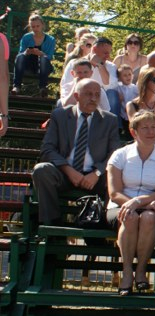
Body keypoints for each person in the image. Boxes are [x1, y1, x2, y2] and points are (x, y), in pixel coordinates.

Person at [32, 79, 121, 225]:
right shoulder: (60, 115)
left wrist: (97, 173)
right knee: (42, 170)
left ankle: (103, 226)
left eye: (97, 95)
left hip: (96, 177)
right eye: (88, 94)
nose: (93, 98)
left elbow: (115, 153)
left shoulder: (109, 120)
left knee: (115, 177)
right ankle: (52, 226)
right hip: (65, 173)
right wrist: (68, 170)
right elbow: (47, 149)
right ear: (76, 96)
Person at [107, 111, 155, 295]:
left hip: (151, 209)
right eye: (145, 128)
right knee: (129, 217)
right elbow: (114, 193)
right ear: (133, 132)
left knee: (148, 219)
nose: (151, 132)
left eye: (154, 127)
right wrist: (135, 204)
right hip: (120, 207)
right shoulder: (119, 155)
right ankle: (127, 272)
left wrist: (138, 203)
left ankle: (141, 271)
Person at [13, 13, 56, 96]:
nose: (35, 29)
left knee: (44, 59)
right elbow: (20, 53)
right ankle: (16, 86)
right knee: (20, 57)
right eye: (33, 27)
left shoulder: (50, 39)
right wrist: (26, 52)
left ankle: (43, 87)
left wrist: (41, 54)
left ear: (42, 25)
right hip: (28, 64)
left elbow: (50, 57)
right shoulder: (26, 37)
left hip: (43, 66)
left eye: (37, 26)